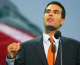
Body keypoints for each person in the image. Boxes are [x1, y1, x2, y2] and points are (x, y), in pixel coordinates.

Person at [6, 1, 80, 65]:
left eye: (55, 12)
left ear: (62, 21)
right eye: (48, 12)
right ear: (43, 19)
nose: (50, 14)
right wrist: (11, 59)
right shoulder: (26, 47)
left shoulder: (75, 47)